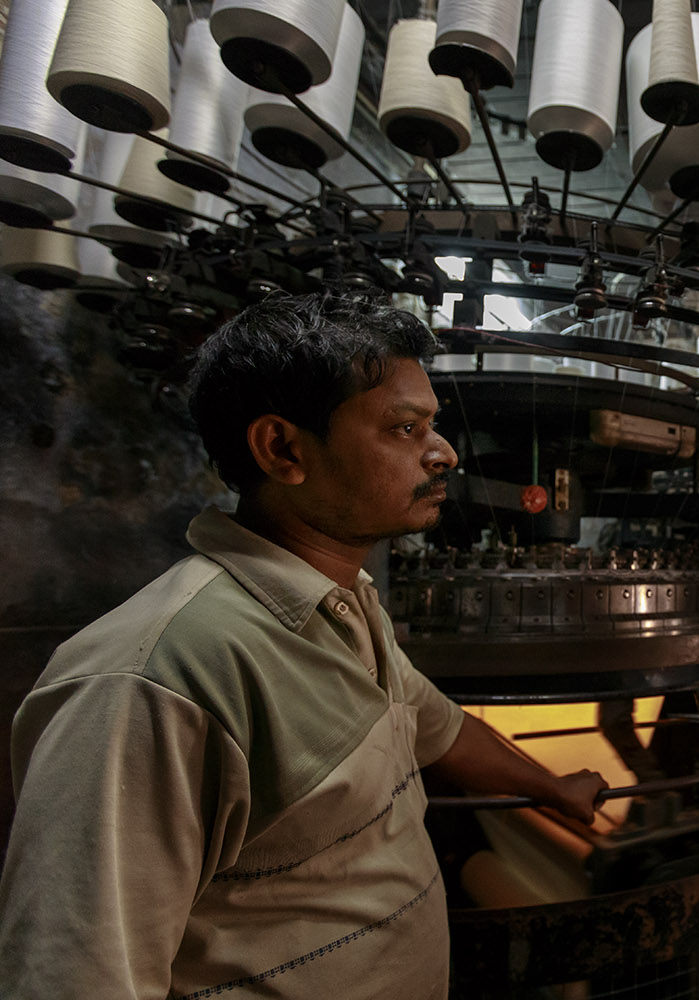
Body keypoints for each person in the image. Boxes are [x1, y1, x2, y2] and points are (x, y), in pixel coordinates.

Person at [0, 293, 607, 999]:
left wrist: (552, 786)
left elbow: (436, 728)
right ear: (284, 449)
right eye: (405, 429)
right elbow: (76, 976)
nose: (443, 453)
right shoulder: (149, 680)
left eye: (432, 426)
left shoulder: (345, 611)